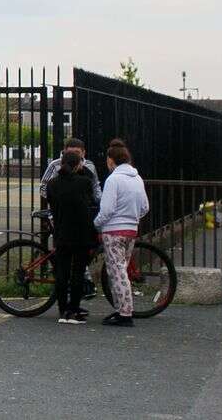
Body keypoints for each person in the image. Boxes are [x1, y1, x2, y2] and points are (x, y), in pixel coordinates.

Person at [94, 141, 149, 327]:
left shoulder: (113, 180)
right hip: (131, 230)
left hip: (113, 230)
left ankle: (125, 313)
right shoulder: (137, 178)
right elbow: (145, 207)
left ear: (111, 160)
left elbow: (107, 209)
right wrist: (133, 218)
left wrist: (97, 223)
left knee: (117, 272)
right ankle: (121, 309)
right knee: (122, 269)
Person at [40, 138, 102, 300]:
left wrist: (103, 203)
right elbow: (44, 187)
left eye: (78, 153)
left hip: (81, 213)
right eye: (71, 153)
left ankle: (77, 286)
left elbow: (95, 188)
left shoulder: (89, 166)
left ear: (83, 153)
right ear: (64, 152)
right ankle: (81, 284)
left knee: (81, 250)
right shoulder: (55, 165)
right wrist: (58, 199)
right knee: (70, 251)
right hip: (60, 214)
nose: (75, 157)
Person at [45, 151, 97, 324]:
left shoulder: (52, 184)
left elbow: (51, 202)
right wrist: (82, 170)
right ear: (77, 165)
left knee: (62, 272)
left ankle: (62, 310)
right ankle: (74, 309)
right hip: (82, 233)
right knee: (78, 272)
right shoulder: (84, 182)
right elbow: (90, 200)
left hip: (61, 232)